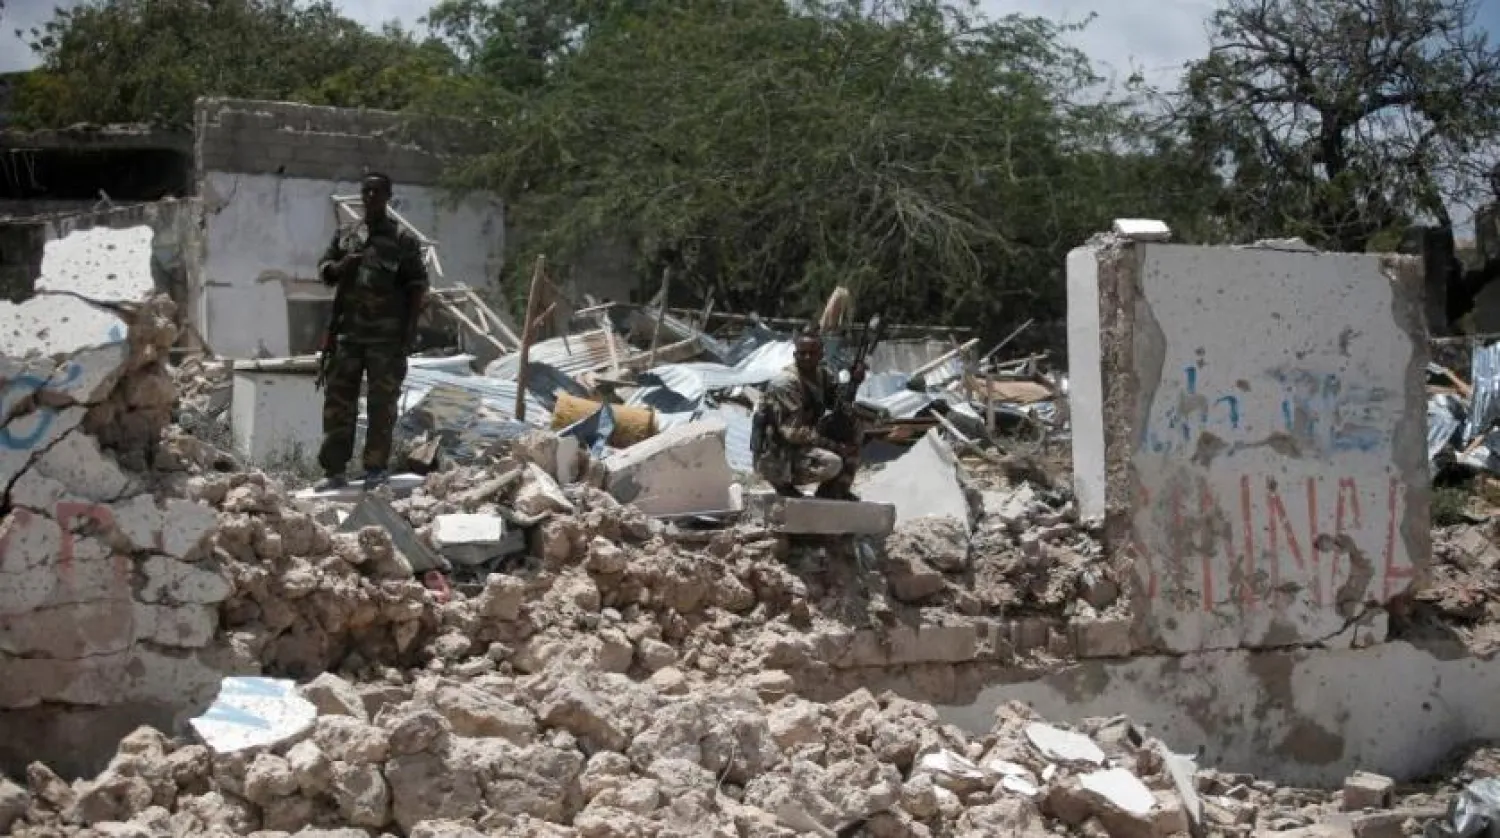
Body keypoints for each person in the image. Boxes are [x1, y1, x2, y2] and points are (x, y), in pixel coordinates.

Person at [314, 172, 428, 490]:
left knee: (382, 405)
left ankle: (375, 469)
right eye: (366, 191)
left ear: (388, 196)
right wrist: (340, 267)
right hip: (347, 337)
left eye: (377, 192)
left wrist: (408, 335)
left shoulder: (402, 240)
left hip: (385, 340)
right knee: (338, 405)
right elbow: (324, 269)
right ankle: (334, 470)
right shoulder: (347, 235)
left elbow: (417, 288)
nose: (370, 197)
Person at [754, 329, 866, 500]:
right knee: (832, 462)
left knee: (854, 426)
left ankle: (834, 491)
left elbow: (838, 402)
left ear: (821, 354)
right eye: (802, 353)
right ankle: (783, 484)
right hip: (778, 453)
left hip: (800, 445)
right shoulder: (786, 383)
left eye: (812, 353)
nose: (807, 357)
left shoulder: (821, 375)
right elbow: (792, 433)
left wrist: (854, 382)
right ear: (795, 354)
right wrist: (835, 446)